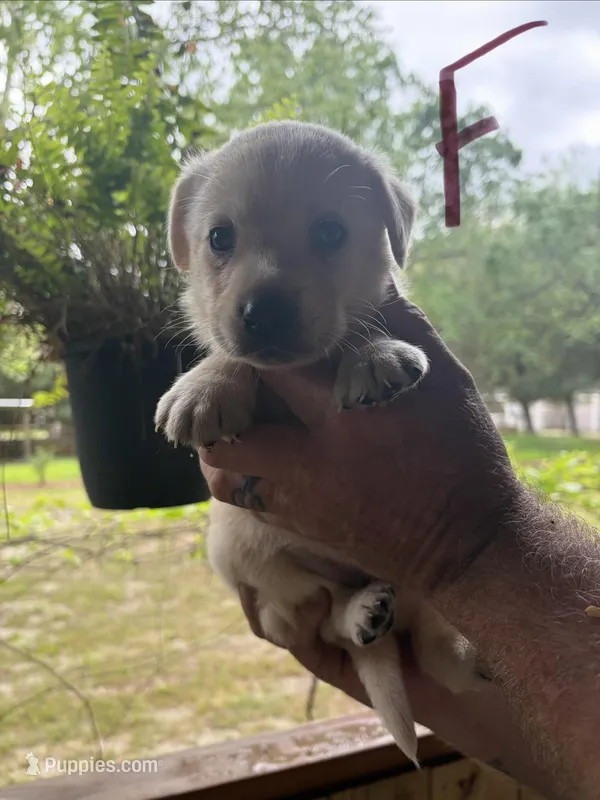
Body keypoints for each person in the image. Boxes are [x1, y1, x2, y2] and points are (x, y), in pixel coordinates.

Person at [199, 293, 600, 800]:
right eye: (220, 241)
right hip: (300, 578)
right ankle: (363, 624)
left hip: (389, 588)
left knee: (422, 615)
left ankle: (437, 651)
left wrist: (469, 543)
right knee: (262, 574)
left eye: (327, 232)